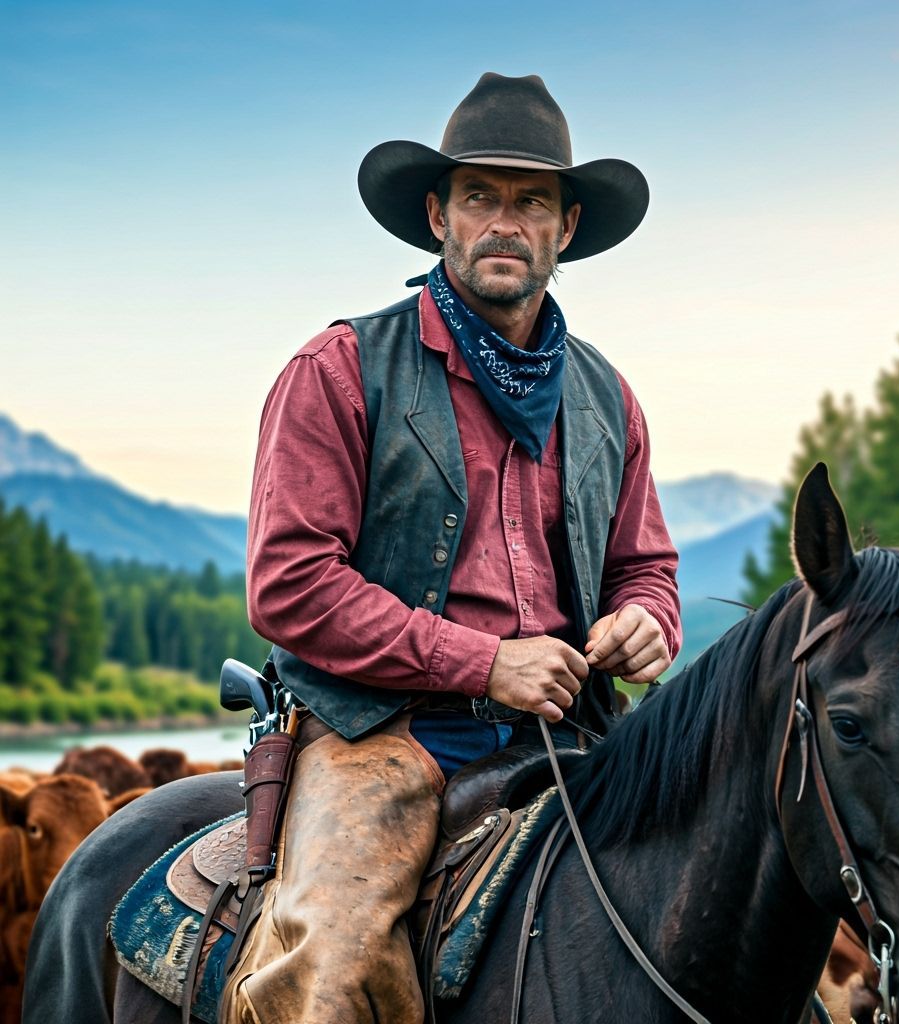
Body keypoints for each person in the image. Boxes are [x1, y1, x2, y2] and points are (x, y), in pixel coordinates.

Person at [223, 72, 681, 1024]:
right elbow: (290, 586)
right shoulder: (339, 369)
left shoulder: (608, 399)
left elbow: (646, 566)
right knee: (335, 969)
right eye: (479, 196)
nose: (503, 222)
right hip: (381, 735)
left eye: (531, 202)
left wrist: (646, 620)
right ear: (438, 215)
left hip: (576, 734)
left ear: (566, 228)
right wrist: (485, 662)